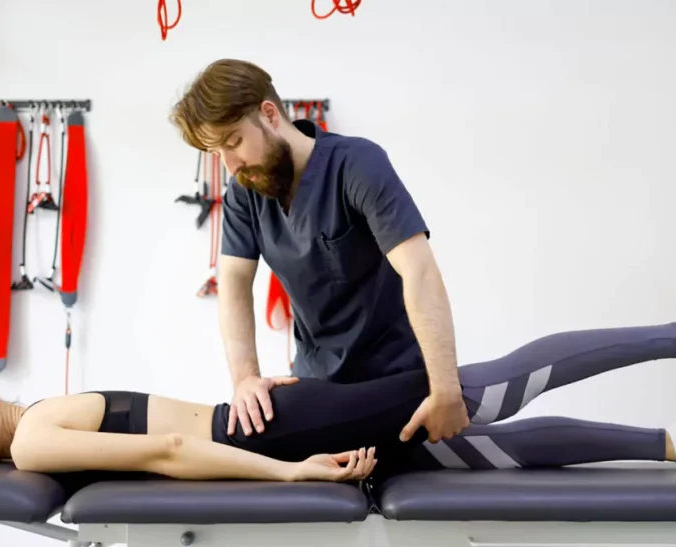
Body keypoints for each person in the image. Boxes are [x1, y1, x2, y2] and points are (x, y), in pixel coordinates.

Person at [0, 307, 676, 481]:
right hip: (271, 429)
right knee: (471, 451)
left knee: (484, 393)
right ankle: (670, 441)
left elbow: (166, 448)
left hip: (270, 437)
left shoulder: (31, 440)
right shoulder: (36, 430)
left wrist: (291, 475)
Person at [169, 58, 469, 444]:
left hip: (398, 378)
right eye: (218, 153)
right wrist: (245, 379)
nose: (230, 166)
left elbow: (420, 271)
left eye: (233, 142)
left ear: (269, 114)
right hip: (318, 382)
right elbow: (233, 282)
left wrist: (445, 389)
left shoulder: (357, 164)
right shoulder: (244, 195)